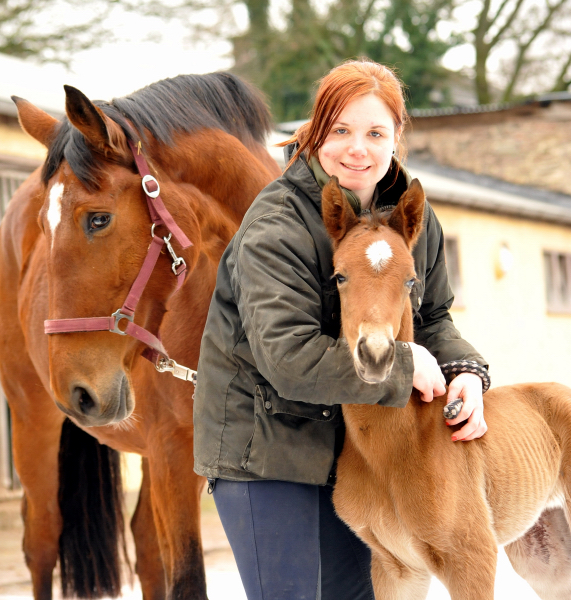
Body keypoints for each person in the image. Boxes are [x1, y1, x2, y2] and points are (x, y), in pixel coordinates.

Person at [193, 59, 490, 600]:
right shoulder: (277, 225)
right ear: (316, 132)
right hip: (267, 448)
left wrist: (463, 368)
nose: (358, 148)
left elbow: (432, 317)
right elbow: (288, 357)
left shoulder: (411, 217)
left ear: (396, 137)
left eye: (375, 132)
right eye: (341, 130)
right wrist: (405, 365)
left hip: (353, 446)